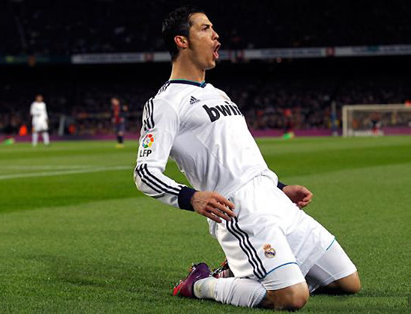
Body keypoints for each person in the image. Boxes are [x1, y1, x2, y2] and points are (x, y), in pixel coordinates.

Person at [133, 6, 360, 310]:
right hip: (242, 210)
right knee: (292, 297)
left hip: (274, 200)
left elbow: (240, 153)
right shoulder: (165, 104)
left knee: (348, 282)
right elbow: (144, 173)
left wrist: (279, 187)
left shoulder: (219, 94)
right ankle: (201, 283)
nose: (216, 36)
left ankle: (248, 269)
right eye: (205, 28)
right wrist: (192, 198)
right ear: (181, 41)